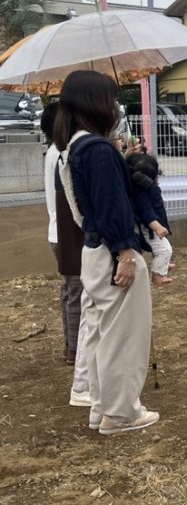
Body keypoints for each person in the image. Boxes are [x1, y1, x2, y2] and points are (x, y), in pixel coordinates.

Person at [54, 70, 158, 434]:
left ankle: (102, 407)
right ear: (96, 102)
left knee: (102, 332)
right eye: (111, 98)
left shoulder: (75, 146)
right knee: (123, 335)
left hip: (94, 251)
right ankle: (121, 412)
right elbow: (112, 206)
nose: (115, 106)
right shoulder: (97, 149)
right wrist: (127, 254)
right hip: (114, 251)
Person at [41, 103, 81, 368]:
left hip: (57, 232)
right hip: (67, 233)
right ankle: (75, 350)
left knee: (69, 290)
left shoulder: (53, 151)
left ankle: (70, 347)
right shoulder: (62, 154)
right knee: (76, 291)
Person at [127, 152, 174, 285]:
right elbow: (146, 213)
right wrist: (157, 227)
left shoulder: (140, 189)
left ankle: (162, 263)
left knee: (161, 250)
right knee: (165, 250)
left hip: (152, 227)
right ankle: (158, 275)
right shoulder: (143, 193)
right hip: (151, 229)